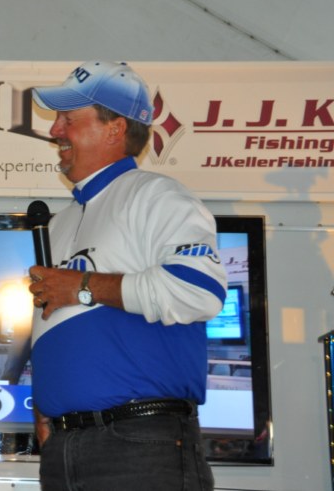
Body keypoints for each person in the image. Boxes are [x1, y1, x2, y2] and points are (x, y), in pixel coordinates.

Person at [27, 61, 228, 491]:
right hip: (63, 448)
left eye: (68, 119)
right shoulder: (61, 222)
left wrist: (83, 287)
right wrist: (46, 408)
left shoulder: (158, 196)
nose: (55, 131)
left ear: (115, 128)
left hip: (141, 446)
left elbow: (199, 291)